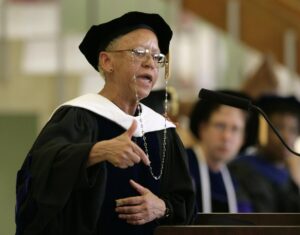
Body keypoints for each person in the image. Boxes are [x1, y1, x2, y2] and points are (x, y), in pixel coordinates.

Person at [15, 11, 195, 235]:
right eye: (139, 53)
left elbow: (185, 202)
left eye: (157, 57)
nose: (150, 63)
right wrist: (95, 152)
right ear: (107, 61)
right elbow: (38, 176)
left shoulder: (162, 130)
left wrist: (162, 208)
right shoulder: (78, 117)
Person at [229, 95, 300, 212]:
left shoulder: (290, 173)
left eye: (293, 130)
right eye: (278, 128)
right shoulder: (241, 169)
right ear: (262, 130)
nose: (287, 136)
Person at [187, 90, 253, 213]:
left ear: (243, 139)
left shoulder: (237, 181)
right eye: (220, 126)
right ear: (203, 128)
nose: (226, 137)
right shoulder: (181, 166)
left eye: (235, 129)